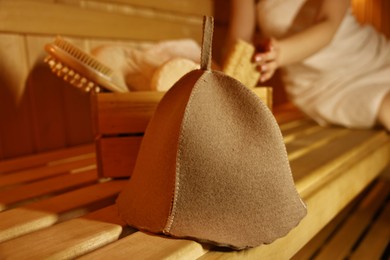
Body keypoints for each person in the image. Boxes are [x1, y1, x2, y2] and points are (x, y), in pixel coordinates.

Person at [225, 0, 390, 131]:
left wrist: (281, 53)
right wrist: (225, 84)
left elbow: (329, 24)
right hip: (317, 89)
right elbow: (239, 43)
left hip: (368, 60)